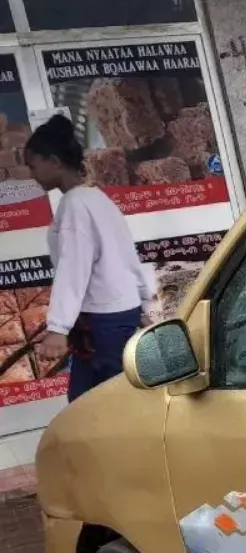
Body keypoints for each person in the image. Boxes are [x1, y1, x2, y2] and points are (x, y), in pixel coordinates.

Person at [26, 114, 153, 402]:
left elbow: (73, 268)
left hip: (103, 324)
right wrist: (142, 303)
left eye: (33, 166)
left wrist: (58, 328)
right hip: (117, 316)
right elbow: (127, 255)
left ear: (54, 162)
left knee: (98, 407)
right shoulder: (97, 198)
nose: (32, 174)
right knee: (101, 403)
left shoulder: (74, 205)